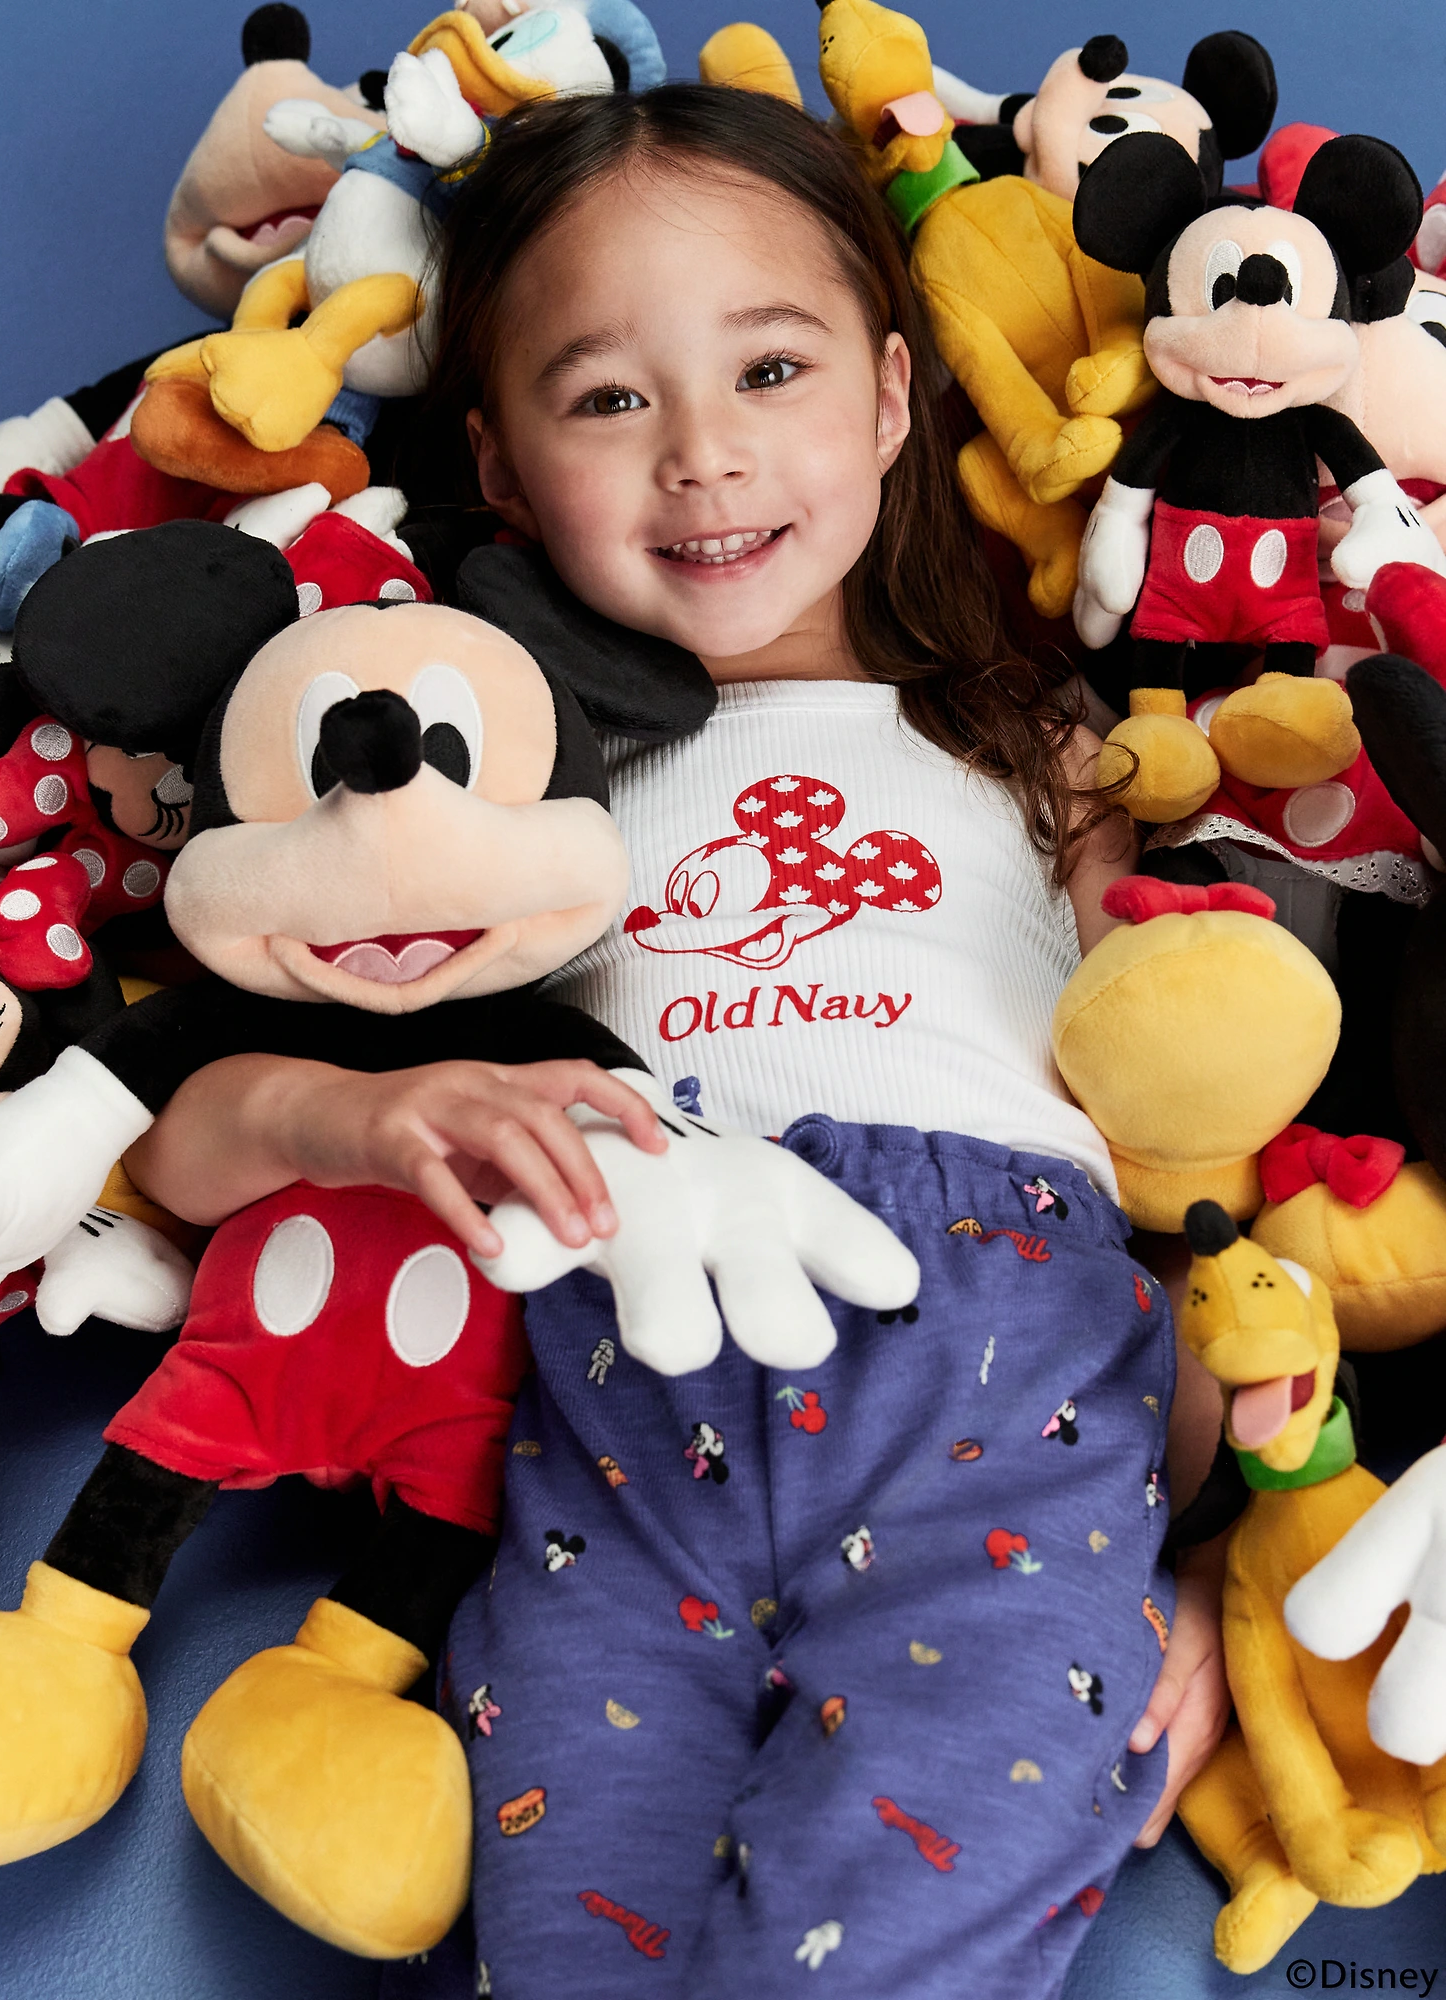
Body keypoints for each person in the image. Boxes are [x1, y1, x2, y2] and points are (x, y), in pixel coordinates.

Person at [127, 85, 1228, 2000]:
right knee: (570, 1950)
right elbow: (175, 1138)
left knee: (895, 1947)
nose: (704, 460)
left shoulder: (1044, 751)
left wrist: (1226, 1577)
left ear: (892, 399)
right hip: (620, 1447)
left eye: (771, 367)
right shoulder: (487, 773)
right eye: (608, 398)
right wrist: (388, 1111)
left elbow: (1209, 1177)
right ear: (500, 457)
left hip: (1006, 1420)